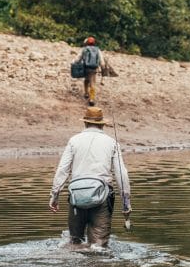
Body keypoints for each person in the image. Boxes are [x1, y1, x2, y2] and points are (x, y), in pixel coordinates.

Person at [49, 106, 132, 249]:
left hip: (76, 197)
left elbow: (62, 170)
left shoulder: (74, 140)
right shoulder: (111, 142)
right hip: (102, 198)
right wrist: (126, 203)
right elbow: (121, 174)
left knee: (74, 242)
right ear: (102, 124)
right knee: (98, 247)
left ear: (85, 123)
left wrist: (55, 196)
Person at [75, 36, 102, 105]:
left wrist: (74, 63)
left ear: (86, 43)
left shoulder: (84, 49)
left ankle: (86, 93)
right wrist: (102, 66)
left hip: (86, 68)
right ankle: (92, 99)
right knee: (93, 83)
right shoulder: (97, 50)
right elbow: (101, 60)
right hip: (94, 69)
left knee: (86, 80)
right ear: (94, 43)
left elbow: (78, 58)